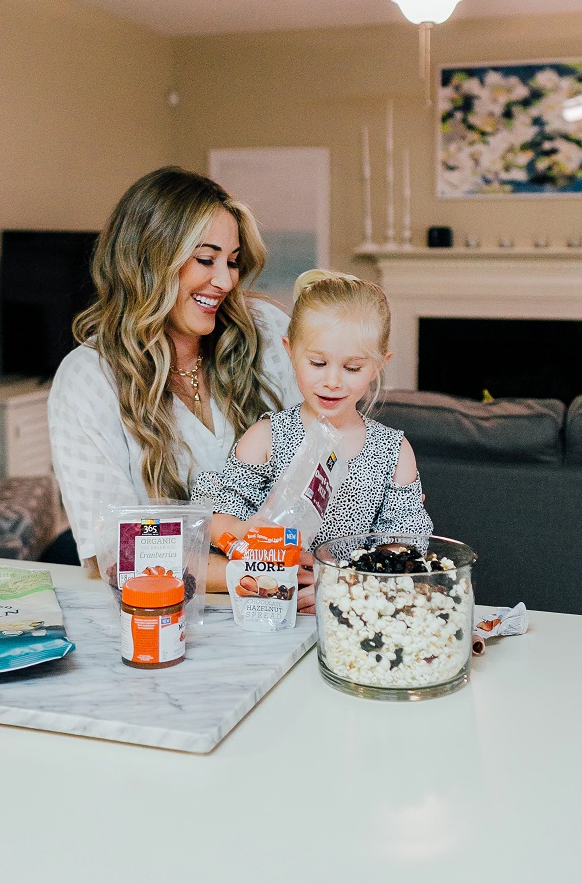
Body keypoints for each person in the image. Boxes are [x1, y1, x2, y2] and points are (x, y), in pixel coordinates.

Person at [47, 167, 301, 588]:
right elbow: (114, 553)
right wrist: (264, 575)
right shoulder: (88, 380)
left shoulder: (269, 332)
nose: (224, 280)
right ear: (148, 259)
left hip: (287, 598)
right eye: (206, 259)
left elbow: (320, 454)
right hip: (166, 618)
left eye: (233, 261)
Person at [193, 270, 432, 610]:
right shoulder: (266, 438)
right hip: (270, 606)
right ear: (290, 351)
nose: (332, 381)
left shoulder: (393, 451)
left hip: (355, 609)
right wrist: (245, 536)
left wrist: (344, 582)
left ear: (380, 365)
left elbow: (406, 544)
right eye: (318, 363)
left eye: (352, 368)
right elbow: (218, 517)